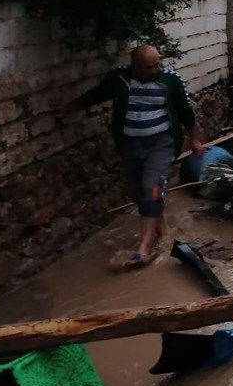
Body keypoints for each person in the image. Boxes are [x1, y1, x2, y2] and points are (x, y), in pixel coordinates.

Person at [55, 46, 204, 267]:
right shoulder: (119, 78)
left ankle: (144, 246)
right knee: (136, 191)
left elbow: (185, 110)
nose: (154, 70)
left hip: (161, 144)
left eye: (156, 65)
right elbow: (96, 95)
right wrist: (69, 107)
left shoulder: (170, 80)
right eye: (148, 67)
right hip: (130, 144)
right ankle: (161, 227)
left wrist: (195, 139)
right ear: (135, 66)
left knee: (151, 187)